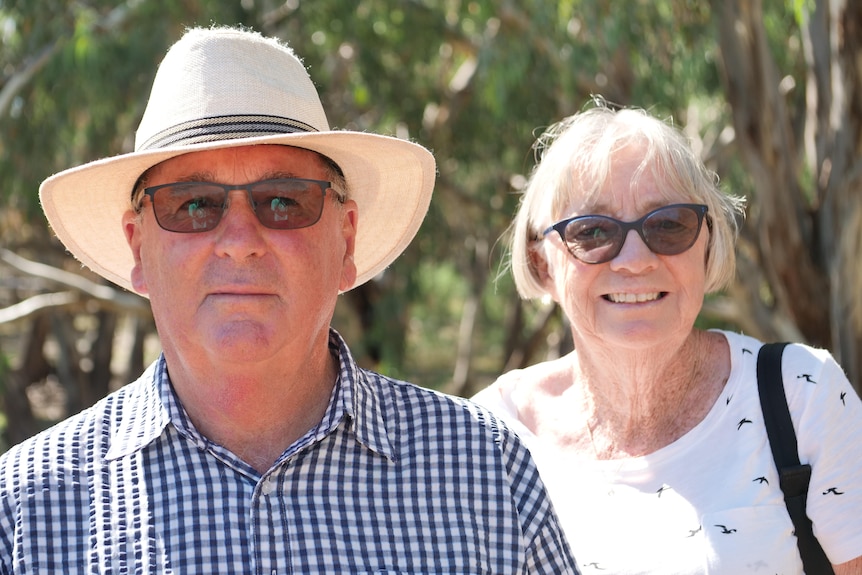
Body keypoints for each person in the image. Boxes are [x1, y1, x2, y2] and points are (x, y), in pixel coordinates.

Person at [0, 26, 579, 574]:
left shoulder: (485, 473)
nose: (240, 242)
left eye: (282, 200)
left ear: (345, 239)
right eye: (194, 204)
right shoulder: (28, 511)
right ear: (138, 246)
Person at [472, 98, 862, 574]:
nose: (635, 259)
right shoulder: (491, 434)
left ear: (709, 244)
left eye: (669, 225)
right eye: (592, 231)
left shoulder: (801, 395)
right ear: (542, 265)